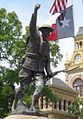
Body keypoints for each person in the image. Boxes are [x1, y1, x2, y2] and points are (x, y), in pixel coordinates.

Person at [12, 4, 53, 113]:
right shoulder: (34, 36)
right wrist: (35, 11)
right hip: (29, 64)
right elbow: (32, 24)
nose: (48, 33)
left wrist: (49, 72)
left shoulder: (48, 45)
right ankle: (15, 104)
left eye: (49, 31)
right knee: (23, 88)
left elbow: (47, 60)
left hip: (39, 68)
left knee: (40, 87)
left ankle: (33, 107)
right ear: (42, 31)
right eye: (47, 31)